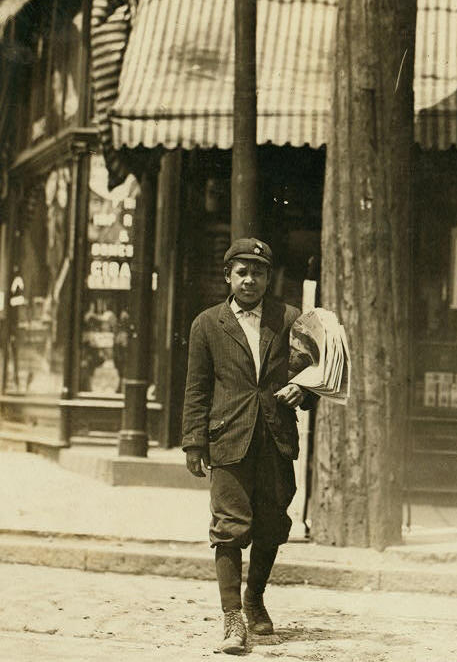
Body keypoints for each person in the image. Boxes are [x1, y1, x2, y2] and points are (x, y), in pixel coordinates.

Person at [182, 237, 313, 654]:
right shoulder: (207, 323)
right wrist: (193, 443)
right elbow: (197, 388)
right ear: (228, 276)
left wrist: (301, 391)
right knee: (229, 527)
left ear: (268, 278)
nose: (250, 279)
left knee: (273, 523)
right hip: (229, 438)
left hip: (275, 438)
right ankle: (232, 618)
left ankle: (254, 598)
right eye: (242, 272)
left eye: (258, 272)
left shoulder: (289, 319)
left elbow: (312, 374)